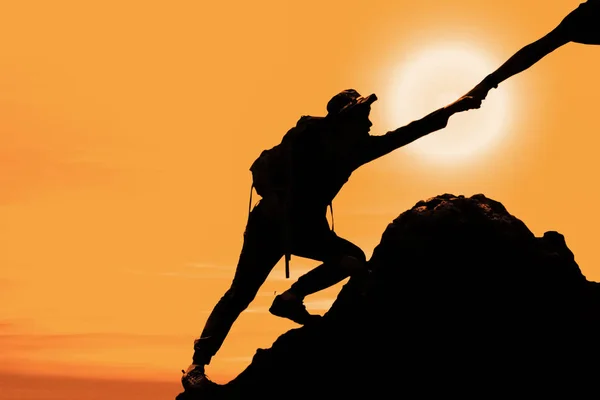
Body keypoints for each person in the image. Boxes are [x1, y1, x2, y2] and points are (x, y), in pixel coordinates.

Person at [180, 88, 482, 392]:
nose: (369, 124)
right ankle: (197, 365)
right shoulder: (308, 140)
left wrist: (451, 109)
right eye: (363, 116)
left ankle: (290, 298)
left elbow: (405, 134)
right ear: (344, 119)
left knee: (352, 259)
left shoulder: (354, 148)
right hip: (269, 227)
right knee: (240, 294)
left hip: (304, 228)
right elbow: (267, 168)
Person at [466, 0, 600, 101]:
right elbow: (538, 49)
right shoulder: (583, 19)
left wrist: (489, 82)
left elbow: (539, 48)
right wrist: (489, 82)